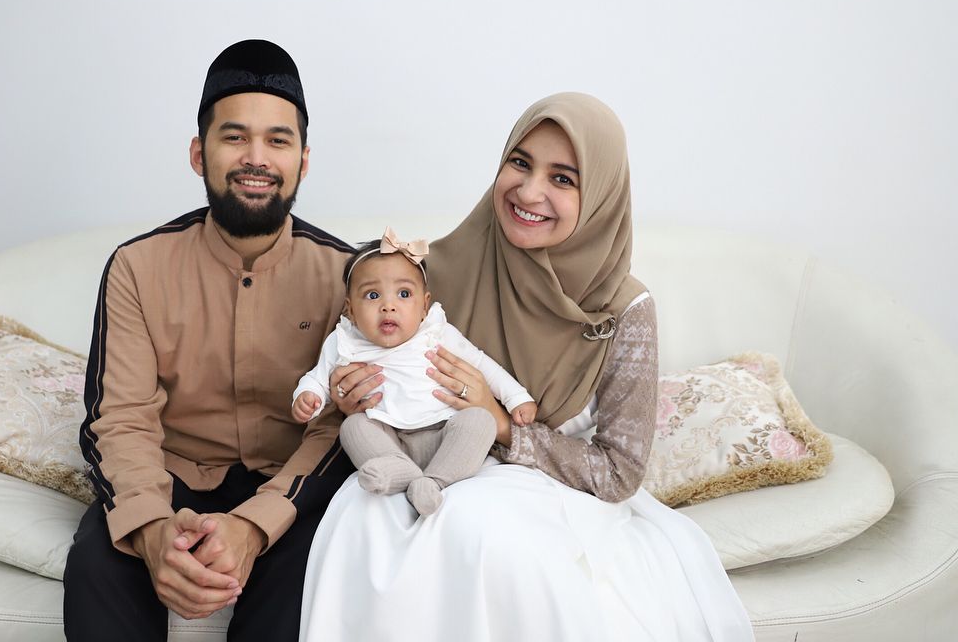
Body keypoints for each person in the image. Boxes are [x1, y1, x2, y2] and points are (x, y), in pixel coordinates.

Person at [300, 93, 754, 641]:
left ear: (601, 196)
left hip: (553, 493)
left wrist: (502, 425)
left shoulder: (625, 311)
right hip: (414, 461)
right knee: (368, 517)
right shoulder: (423, 276)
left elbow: (618, 473)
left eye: (562, 178)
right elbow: (360, 347)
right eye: (520, 162)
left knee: (477, 528)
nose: (530, 191)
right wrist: (350, 393)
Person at [63, 39, 356, 642]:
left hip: (289, 486)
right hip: (170, 479)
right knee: (96, 566)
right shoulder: (136, 267)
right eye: (234, 136)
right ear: (199, 153)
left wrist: (255, 526)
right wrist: (151, 532)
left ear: (303, 160)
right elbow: (119, 419)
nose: (256, 158)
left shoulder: (349, 276)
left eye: (278, 140)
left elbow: (338, 427)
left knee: (309, 580)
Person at [291, 230, 537, 515]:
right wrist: (307, 395)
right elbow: (317, 378)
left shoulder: (437, 332)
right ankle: (400, 470)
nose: (388, 306)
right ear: (351, 310)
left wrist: (516, 397)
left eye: (404, 294)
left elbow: (482, 364)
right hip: (388, 438)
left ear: (424, 305)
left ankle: (433, 482)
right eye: (372, 295)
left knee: (480, 420)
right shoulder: (344, 341)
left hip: (444, 432)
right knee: (353, 427)